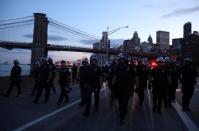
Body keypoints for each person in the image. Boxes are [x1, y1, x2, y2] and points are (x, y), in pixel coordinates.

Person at [112, 53, 133, 123]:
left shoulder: (130, 67)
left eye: (122, 59)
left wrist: (137, 86)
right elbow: (115, 76)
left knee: (125, 102)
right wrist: (113, 84)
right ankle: (122, 109)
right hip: (118, 87)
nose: (121, 61)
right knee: (120, 101)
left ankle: (122, 117)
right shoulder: (117, 67)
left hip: (127, 87)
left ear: (126, 60)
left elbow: (136, 77)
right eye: (120, 59)